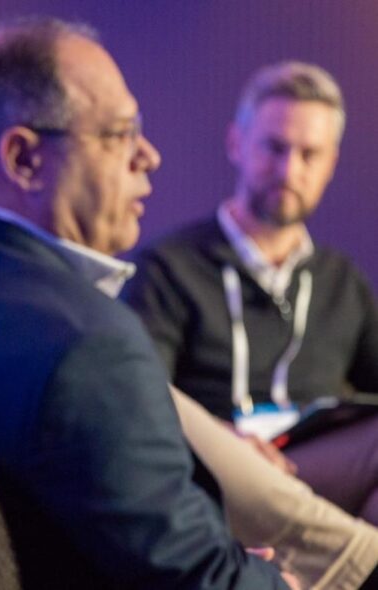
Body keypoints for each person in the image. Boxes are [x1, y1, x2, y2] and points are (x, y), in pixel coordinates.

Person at [0, 18, 300, 588]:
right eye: (120, 133)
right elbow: (195, 577)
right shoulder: (87, 343)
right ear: (24, 159)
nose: (148, 156)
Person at [124, 61, 378, 525]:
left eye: (309, 154)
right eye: (274, 148)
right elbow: (140, 396)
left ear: (331, 164)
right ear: (237, 144)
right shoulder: (169, 268)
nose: (289, 169)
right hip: (215, 459)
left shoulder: (342, 281)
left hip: (307, 464)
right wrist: (223, 440)